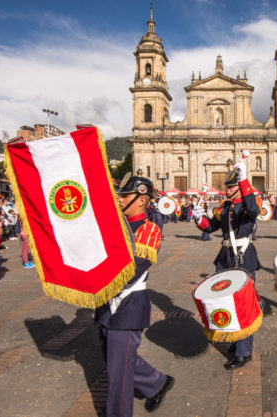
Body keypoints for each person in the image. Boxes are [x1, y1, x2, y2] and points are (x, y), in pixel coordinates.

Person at [94, 175, 174, 417]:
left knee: (118, 373)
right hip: (105, 302)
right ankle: (157, 383)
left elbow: (132, 271)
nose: (119, 199)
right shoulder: (115, 225)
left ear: (141, 200)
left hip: (128, 303)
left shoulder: (149, 230)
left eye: (125, 196)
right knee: (116, 359)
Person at [192, 158, 262, 370]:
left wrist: (244, 181)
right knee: (224, 300)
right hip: (225, 258)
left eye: (231, 187)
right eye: (228, 187)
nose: (227, 190)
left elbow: (254, 210)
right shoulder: (225, 207)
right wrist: (199, 219)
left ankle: (244, 352)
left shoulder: (248, 204)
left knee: (242, 304)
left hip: (243, 256)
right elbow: (210, 227)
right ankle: (234, 340)